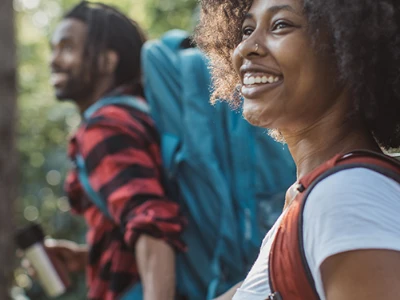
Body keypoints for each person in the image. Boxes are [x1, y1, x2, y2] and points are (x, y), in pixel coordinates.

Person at [195, 0, 400, 299]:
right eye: (246, 30)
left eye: (280, 25)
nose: (246, 48)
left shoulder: (345, 197)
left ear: (348, 50)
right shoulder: (316, 195)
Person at [47, 2, 185, 300]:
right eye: (53, 48)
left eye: (67, 48)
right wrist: (88, 257)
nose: (54, 60)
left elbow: (151, 223)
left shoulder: (105, 127)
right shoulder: (142, 114)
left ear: (107, 62)